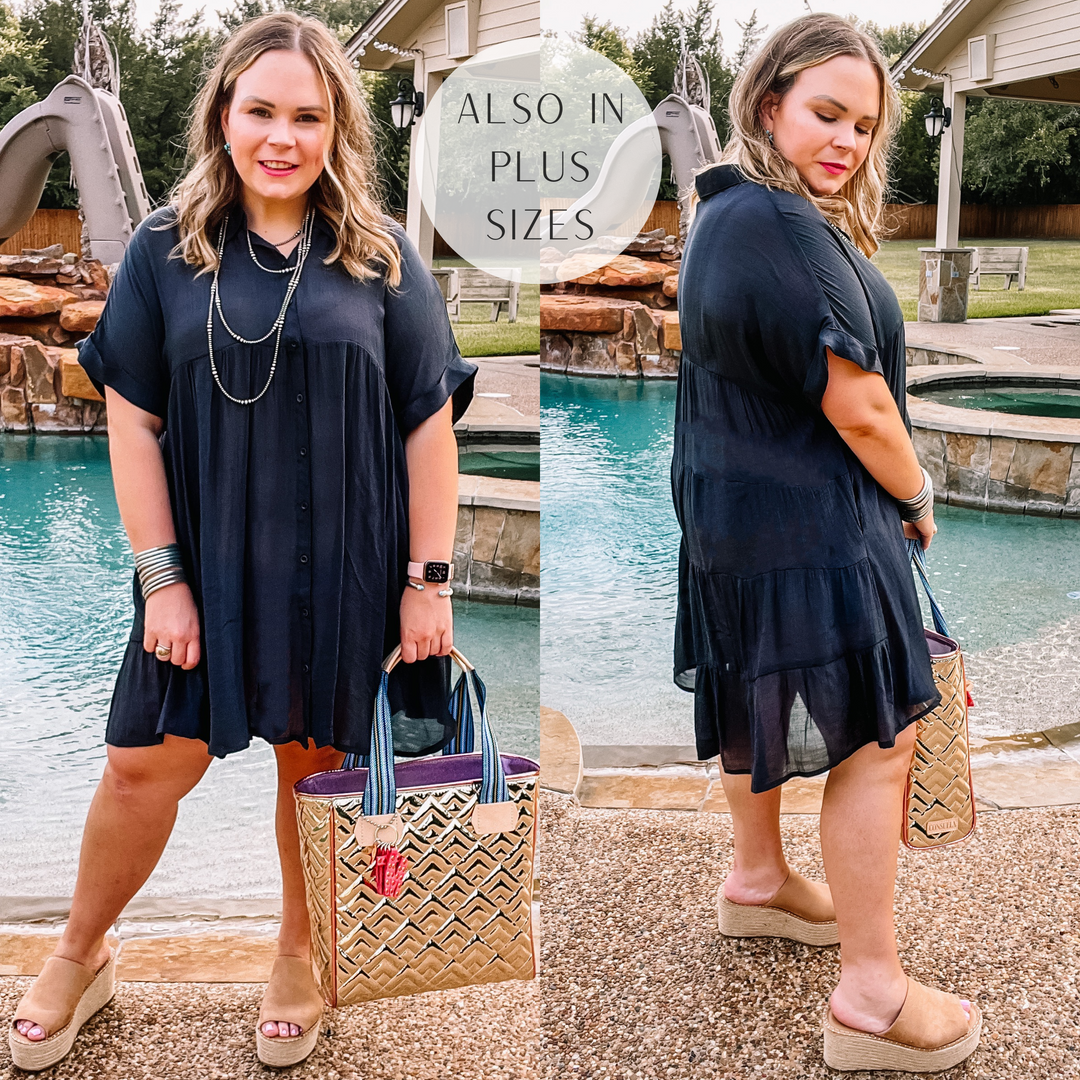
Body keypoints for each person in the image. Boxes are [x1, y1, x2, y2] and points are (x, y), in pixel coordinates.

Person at [8, 12, 473, 1072]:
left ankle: (298, 956)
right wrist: (162, 581)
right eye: (261, 110)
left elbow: (428, 424)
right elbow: (133, 418)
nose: (282, 136)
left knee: (314, 776)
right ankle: (80, 954)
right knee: (138, 768)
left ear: (336, 128)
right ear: (223, 114)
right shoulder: (167, 252)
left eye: (307, 116)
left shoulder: (383, 257)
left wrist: (428, 582)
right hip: (204, 574)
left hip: (345, 574)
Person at [671, 14, 981, 1073]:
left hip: (730, 515)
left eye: (862, 123)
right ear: (770, 105)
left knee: (753, 686)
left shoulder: (720, 212)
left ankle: (757, 879)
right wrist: (919, 490)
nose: (846, 139)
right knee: (878, 742)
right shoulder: (785, 225)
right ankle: (872, 993)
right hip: (811, 520)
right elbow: (859, 406)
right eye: (825, 113)